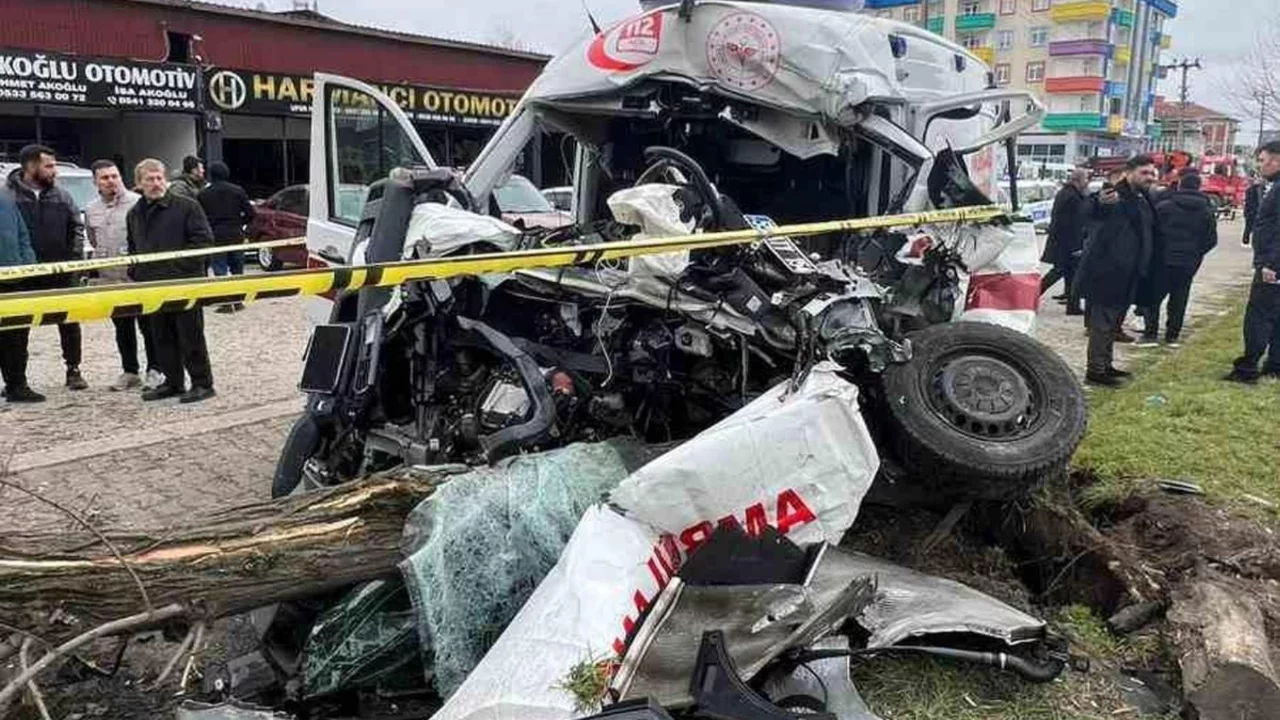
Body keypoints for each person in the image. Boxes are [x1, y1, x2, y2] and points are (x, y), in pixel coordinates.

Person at [127, 159, 217, 403]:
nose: (156, 183)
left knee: (191, 335)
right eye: (150, 179)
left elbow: (203, 242)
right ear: (138, 184)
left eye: (159, 178)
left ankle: (202, 383)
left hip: (185, 283)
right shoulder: (135, 213)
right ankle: (173, 382)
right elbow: (133, 248)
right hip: (154, 287)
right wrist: (137, 272)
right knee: (161, 336)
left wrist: (179, 270)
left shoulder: (187, 206)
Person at [4, 144, 88, 390]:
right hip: (20, 274)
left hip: (59, 272)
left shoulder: (62, 195)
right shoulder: (7, 196)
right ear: (30, 166)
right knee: (15, 329)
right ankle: (15, 379)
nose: (55, 171)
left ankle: (73, 370)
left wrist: (72, 261)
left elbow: (77, 228)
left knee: (69, 323)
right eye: (49, 166)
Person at [1076, 154, 1161, 387]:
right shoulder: (1115, 195)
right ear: (1129, 173)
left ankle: (1106, 365)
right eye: (1144, 173)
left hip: (1129, 273)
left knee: (1113, 325)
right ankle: (1095, 371)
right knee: (1101, 326)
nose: (1150, 177)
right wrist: (1100, 203)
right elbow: (1090, 210)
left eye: (1152, 173)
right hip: (1107, 272)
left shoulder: (1143, 198)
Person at [86, 159, 162, 391]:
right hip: (111, 280)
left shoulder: (138, 203)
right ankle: (130, 371)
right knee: (122, 328)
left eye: (114, 176)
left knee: (149, 326)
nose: (111, 181)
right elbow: (93, 239)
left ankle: (155, 370)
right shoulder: (91, 209)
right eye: (105, 178)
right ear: (96, 182)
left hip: (138, 278)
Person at [1139, 173, 1218, 348]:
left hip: (1162, 260)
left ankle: (1150, 333)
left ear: (1180, 185)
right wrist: (1196, 254)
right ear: (1199, 187)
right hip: (1188, 262)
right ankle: (1172, 336)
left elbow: (1151, 232)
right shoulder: (1206, 211)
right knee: (1180, 298)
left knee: (1153, 296)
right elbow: (1211, 239)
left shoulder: (1164, 207)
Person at [1227, 142, 1280, 384]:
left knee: (1259, 314)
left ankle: (1247, 367)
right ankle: (1275, 365)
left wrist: (1271, 263)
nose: (1260, 165)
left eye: (1262, 160)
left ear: (1276, 161)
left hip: (1272, 264)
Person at [0, 190, 42, 403]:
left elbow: (23, 236)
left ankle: (16, 385)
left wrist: (28, 267)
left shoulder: (6, 201)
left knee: (16, 337)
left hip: (13, 281)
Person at [198, 161, 255, 313]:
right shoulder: (238, 191)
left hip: (215, 235)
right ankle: (238, 301)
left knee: (220, 269)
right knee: (237, 269)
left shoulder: (203, 194)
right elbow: (251, 213)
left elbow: (200, 218)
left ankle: (225, 302)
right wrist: (240, 223)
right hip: (236, 234)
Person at [1040, 168, 1090, 316]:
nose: (1087, 182)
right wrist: (1078, 245)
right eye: (1086, 179)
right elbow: (1075, 224)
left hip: (1062, 242)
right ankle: (1032, 294)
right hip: (1068, 243)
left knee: (1069, 273)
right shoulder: (1072, 197)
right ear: (1078, 180)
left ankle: (1072, 304)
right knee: (1061, 272)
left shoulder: (1067, 193)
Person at [1243, 175, 1268, 246]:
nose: (1262, 182)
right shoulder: (1250, 190)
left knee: (1256, 228)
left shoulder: (1263, 189)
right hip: (1251, 211)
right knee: (1248, 226)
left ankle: (1255, 241)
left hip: (1259, 211)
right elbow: (1248, 202)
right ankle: (1245, 240)